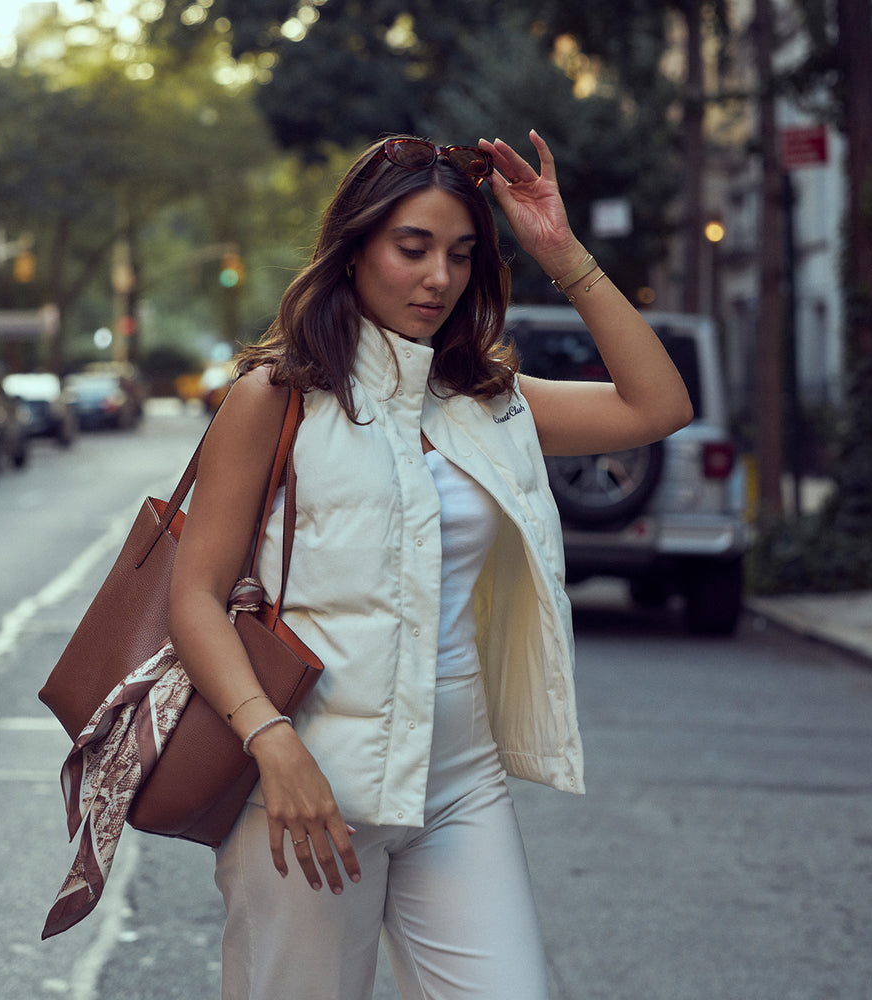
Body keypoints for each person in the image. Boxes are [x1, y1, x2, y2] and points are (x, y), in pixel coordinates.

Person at [168, 130, 692, 1000]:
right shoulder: (276, 397)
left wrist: (560, 250)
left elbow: (657, 404)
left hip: (459, 785)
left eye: (458, 254)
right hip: (308, 787)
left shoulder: (487, 401)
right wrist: (271, 742)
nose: (438, 278)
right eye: (412, 249)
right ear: (356, 247)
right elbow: (195, 597)